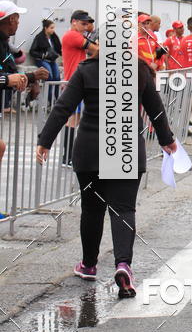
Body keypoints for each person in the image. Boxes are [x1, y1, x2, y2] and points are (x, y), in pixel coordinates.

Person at [36, 54, 176, 298]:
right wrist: (166, 139)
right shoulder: (139, 70)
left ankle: (89, 265)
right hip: (126, 148)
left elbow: (63, 107)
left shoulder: (87, 70)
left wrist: (45, 141)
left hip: (90, 149)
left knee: (92, 209)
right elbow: (156, 109)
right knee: (123, 209)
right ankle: (123, 264)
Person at [0, 1, 49, 113]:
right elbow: (7, 78)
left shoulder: (4, 43)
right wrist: (7, 79)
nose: (18, 23)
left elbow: (10, 73)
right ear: (11, 19)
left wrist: (32, 79)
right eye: (17, 19)